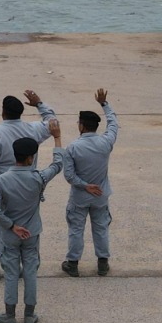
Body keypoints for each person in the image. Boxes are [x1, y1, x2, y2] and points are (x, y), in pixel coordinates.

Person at [0, 122, 65, 323]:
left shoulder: (1, 181)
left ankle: (10, 316)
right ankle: (29, 316)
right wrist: (57, 138)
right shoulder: (38, 178)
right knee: (30, 272)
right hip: (31, 233)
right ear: (30, 158)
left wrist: (11, 226)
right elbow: (58, 164)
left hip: (11, 234)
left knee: (11, 273)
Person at [0, 90, 55, 280]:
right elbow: (54, 124)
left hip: (2, 184)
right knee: (27, 221)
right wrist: (39, 104)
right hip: (28, 184)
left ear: (3, 112)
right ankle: (27, 264)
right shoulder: (33, 129)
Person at [62, 88, 119, 278]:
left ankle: (73, 264)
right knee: (101, 228)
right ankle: (102, 263)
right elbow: (113, 124)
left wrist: (85, 185)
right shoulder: (106, 143)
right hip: (101, 195)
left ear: (82, 126)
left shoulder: (73, 148)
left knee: (76, 230)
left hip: (80, 196)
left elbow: (69, 176)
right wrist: (104, 104)